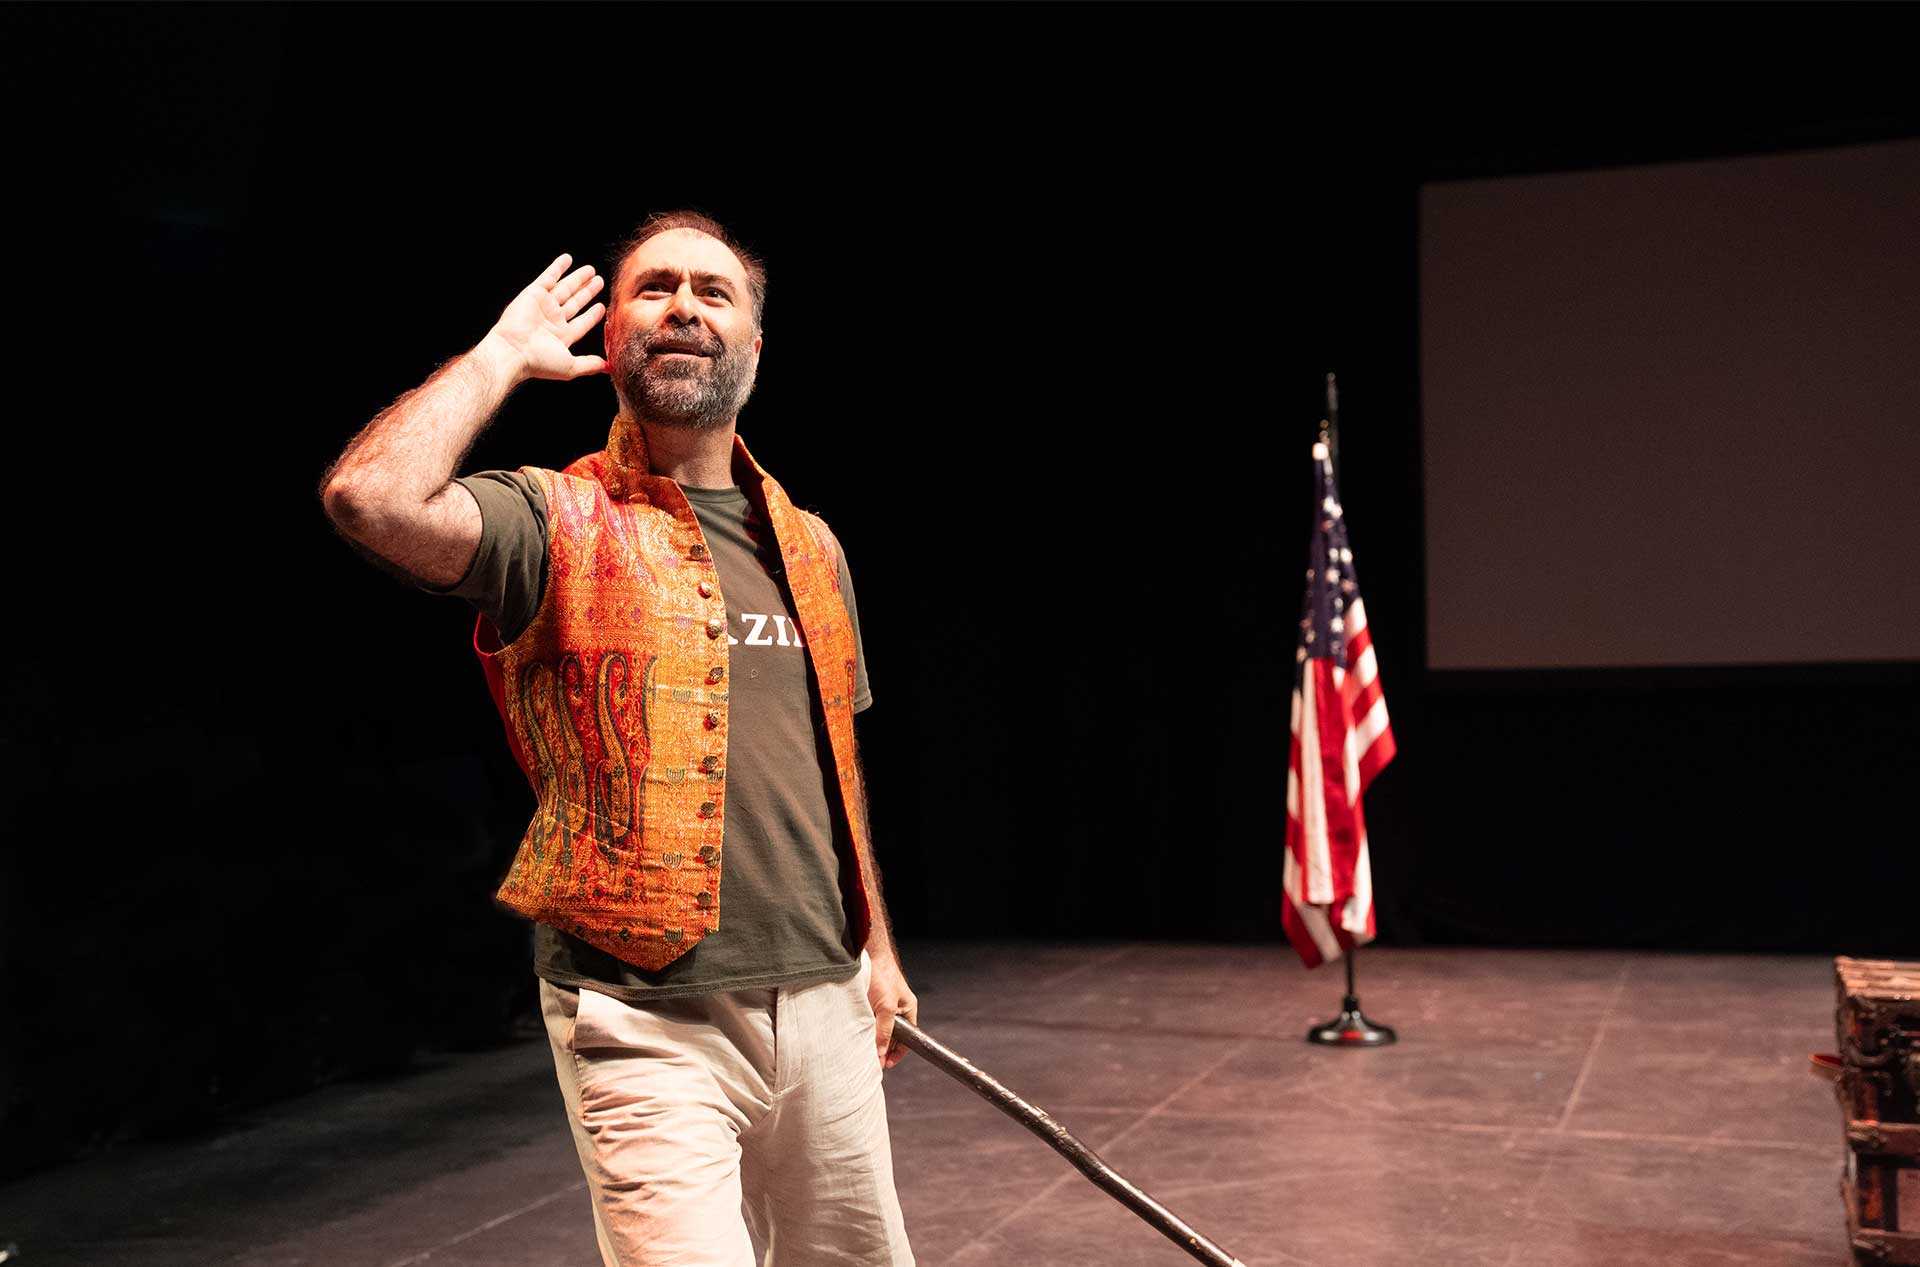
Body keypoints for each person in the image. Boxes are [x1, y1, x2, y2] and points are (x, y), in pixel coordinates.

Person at [320, 210, 917, 1266]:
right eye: (655, 287)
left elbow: (835, 761)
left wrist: (878, 952)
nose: (684, 305)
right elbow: (368, 497)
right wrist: (500, 357)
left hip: (825, 995)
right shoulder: (551, 518)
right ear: (611, 336)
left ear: (755, 344)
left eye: (713, 291)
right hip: (644, 1018)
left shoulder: (812, 546)